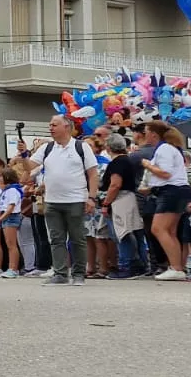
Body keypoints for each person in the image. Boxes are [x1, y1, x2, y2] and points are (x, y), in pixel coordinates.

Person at [25, 115, 99, 286]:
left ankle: (79, 273)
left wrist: (91, 197)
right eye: (50, 125)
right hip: (52, 200)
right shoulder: (47, 148)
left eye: (54, 125)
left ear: (67, 127)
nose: (51, 128)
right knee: (56, 239)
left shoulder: (81, 147)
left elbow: (93, 173)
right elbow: (31, 167)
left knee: (77, 238)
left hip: (75, 199)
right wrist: (23, 154)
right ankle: (60, 273)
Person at [140, 121, 191, 280]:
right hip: (174, 190)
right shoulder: (169, 148)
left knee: (158, 228)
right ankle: (176, 266)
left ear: (154, 134)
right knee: (170, 231)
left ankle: (176, 267)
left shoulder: (164, 149)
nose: (144, 134)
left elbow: (166, 173)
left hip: (171, 191)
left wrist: (148, 165)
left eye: (146, 131)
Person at [100, 134, 147, 278]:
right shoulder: (127, 160)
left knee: (122, 233)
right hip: (129, 197)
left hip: (120, 199)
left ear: (108, 147)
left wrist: (106, 203)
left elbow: (115, 184)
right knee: (135, 232)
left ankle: (127, 266)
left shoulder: (117, 163)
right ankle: (141, 264)